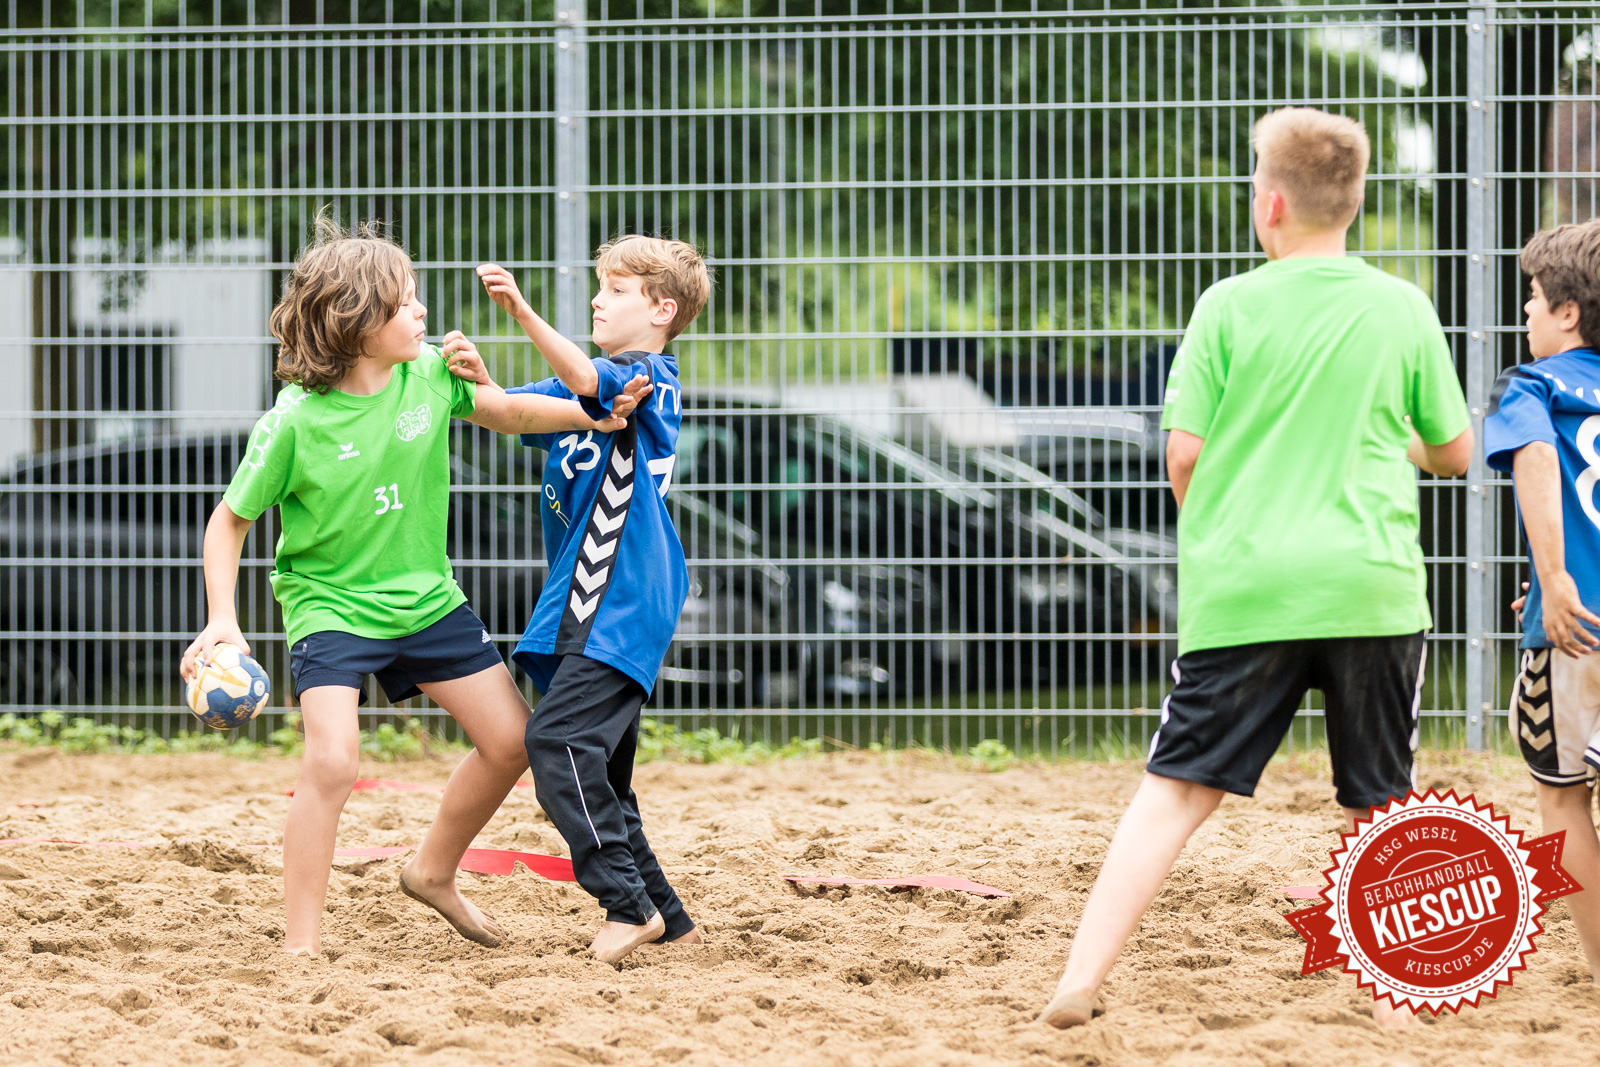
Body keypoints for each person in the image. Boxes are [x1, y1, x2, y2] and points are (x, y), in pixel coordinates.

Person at [1038, 108, 1473, 1030]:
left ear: (1268, 203)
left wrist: (1227, 533)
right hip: (1370, 583)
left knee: (1175, 789)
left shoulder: (1227, 305)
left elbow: (1185, 455)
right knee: (1381, 798)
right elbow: (1455, 451)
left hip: (1245, 587)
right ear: (1351, 204)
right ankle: (1399, 998)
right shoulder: (1401, 305)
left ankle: (1081, 975)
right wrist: (1403, 445)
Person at [179, 216, 649, 956]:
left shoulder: (430, 372)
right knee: (333, 760)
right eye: (406, 302)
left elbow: (506, 411)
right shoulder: (293, 423)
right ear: (356, 320)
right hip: (330, 605)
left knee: (512, 739)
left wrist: (595, 411)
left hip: (427, 600)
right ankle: (301, 946)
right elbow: (227, 523)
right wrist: (223, 623)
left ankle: (431, 870)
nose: (422, 312)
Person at [463, 235, 710, 964]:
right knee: (600, 771)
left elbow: (579, 373)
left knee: (557, 744)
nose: (599, 299)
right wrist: (469, 379)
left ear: (664, 310)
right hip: (583, 599)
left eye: (618, 289)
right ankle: (666, 915)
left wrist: (521, 311)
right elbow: (504, 411)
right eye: (598, 286)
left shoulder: (650, 379)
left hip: (622, 597)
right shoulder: (584, 386)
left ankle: (626, 906)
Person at [1484, 217, 1600, 986]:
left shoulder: (1535, 384)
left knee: (1563, 803)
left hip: (1576, 632)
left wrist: (1555, 575)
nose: (1523, 311)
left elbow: (1532, 453)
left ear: (1567, 312)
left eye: (1531, 297)